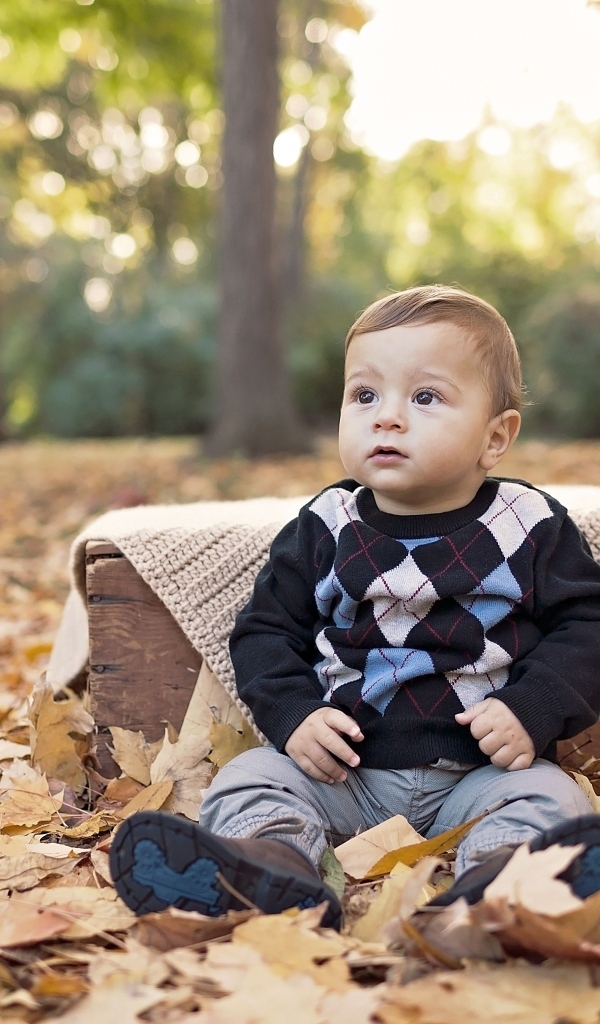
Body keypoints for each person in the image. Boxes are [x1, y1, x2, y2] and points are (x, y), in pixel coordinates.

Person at [110, 285, 600, 929]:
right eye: (364, 395)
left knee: (549, 796)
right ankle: (273, 867)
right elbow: (264, 632)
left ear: (496, 436)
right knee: (253, 776)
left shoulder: (529, 524)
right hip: (347, 776)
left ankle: (502, 881)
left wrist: (530, 707)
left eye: (425, 397)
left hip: (481, 774)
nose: (386, 417)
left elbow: (588, 624)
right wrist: (295, 717)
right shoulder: (327, 524)